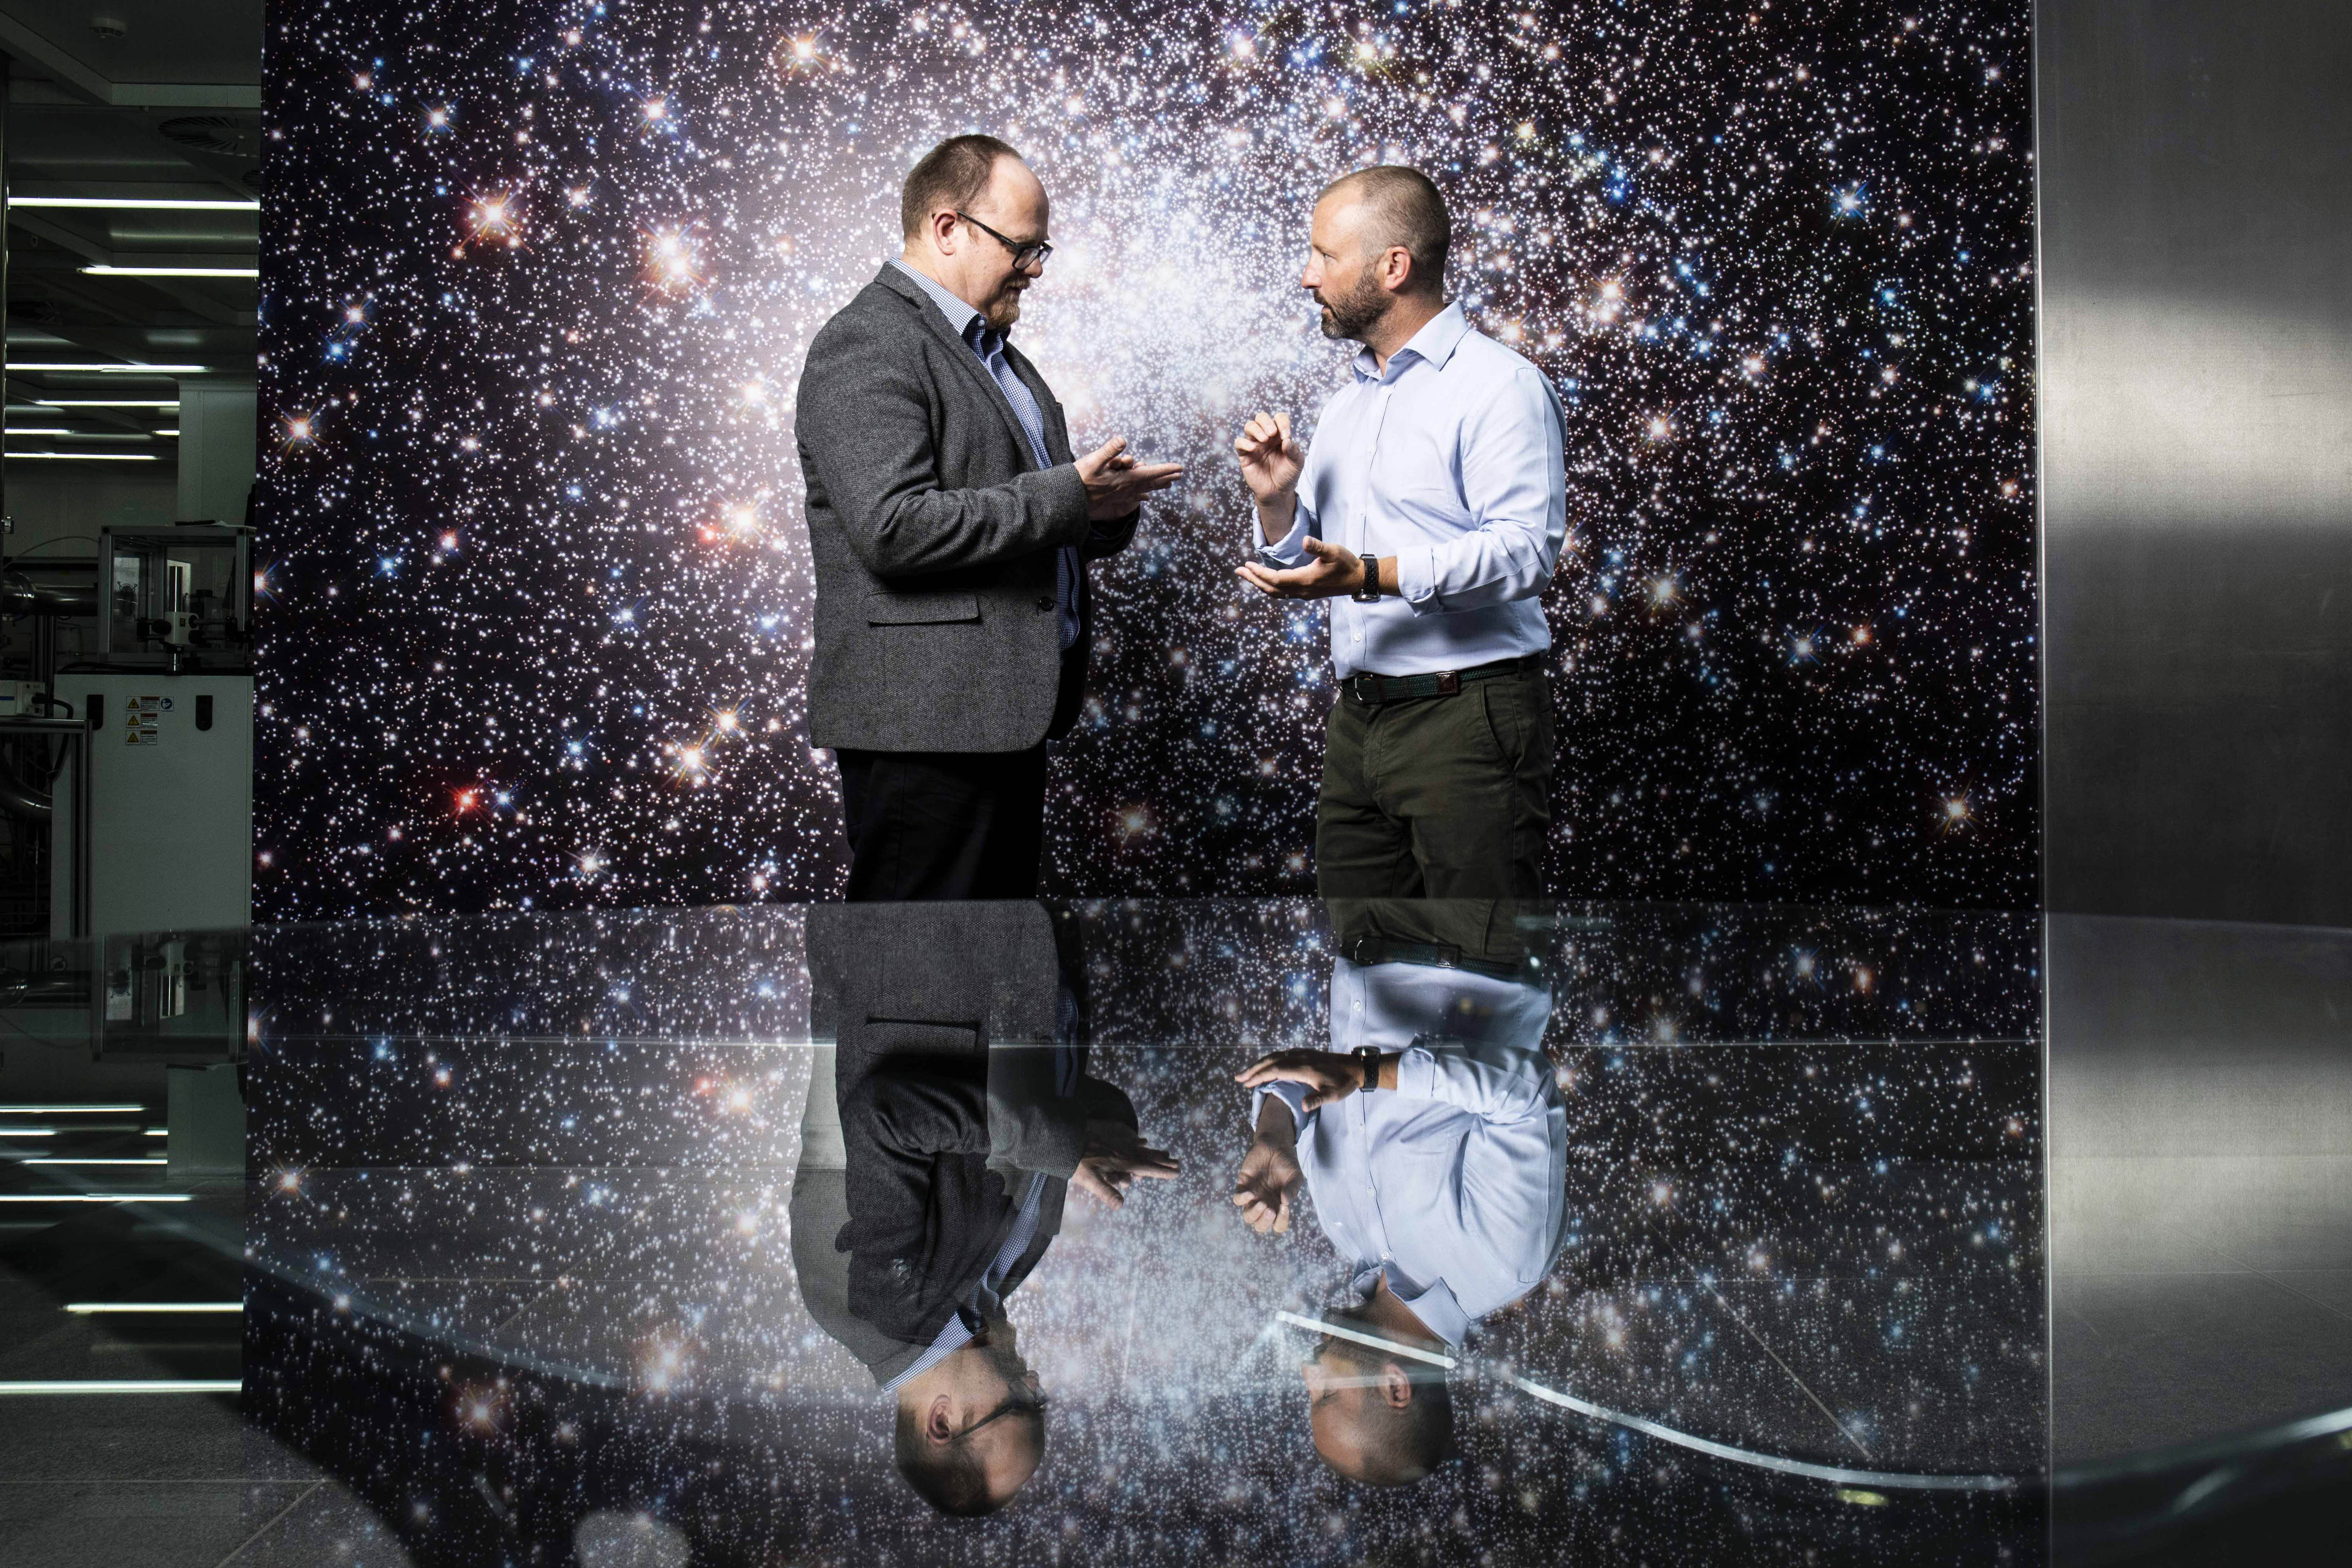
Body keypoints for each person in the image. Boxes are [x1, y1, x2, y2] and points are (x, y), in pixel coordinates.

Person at [797, 135, 1182, 899]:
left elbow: (1034, 506)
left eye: (1044, 249)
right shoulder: (869, 342)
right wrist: (1071, 496)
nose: (1036, 268)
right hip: (925, 727)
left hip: (1000, 716)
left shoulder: (993, 351)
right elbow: (895, 528)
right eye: (1022, 246)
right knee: (917, 989)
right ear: (948, 228)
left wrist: (1104, 510)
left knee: (985, 977)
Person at [1234, 167, 1569, 897]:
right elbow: (1316, 560)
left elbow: (1524, 552)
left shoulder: (1500, 386)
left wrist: (1369, 577)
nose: (1306, 275)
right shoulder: (1348, 406)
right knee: (1362, 964)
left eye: (1325, 255)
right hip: (1358, 724)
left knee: (1484, 972)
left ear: (1393, 267)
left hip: (1469, 721)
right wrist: (1278, 505)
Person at [790, 901, 1178, 1515]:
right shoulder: (1003, 1281)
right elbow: (1062, 1106)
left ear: (941, 1423)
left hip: (926, 925)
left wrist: (1063, 1146)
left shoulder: (872, 1307)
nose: (1035, 1383)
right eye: (1038, 1401)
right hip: (1014, 932)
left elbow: (884, 1114)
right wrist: (1099, 1141)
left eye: (1020, 1405)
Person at [1230, 899, 1567, 1485]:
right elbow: (1528, 1095)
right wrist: (1369, 1075)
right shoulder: (1505, 1264)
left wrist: (1274, 1134)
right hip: (1471, 929)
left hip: (1361, 928)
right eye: (1323, 1397)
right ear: (1394, 1386)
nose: (1309, 1377)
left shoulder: (1345, 1236)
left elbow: (1304, 1078)